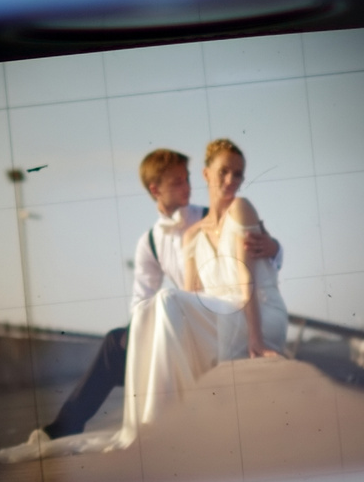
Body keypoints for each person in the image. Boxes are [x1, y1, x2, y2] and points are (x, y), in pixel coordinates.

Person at [26, 146, 278, 445]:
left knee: (156, 317)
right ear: (155, 189)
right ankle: (66, 425)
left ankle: (163, 429)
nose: (187, 187)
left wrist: (274, 246)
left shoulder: (218, 212)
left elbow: (260, 260)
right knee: (115, 342)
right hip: (183, 316)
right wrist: (141, 333)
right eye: (177, 182)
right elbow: (141, 299)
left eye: (186, 179)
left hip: (218, 316)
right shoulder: (149, 243)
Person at [117, 137, 289, 433]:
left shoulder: (241, 208)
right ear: (206, 174)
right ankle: (158, 421)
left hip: (258, 313)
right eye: (223, 171)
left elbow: (246, 278)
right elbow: (190, 294)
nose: (231, 180)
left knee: (167, 299)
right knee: (155, 306)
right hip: (221, 315)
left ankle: (160, 423)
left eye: (238, 174)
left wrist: (257, 340)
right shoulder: (190, 235)